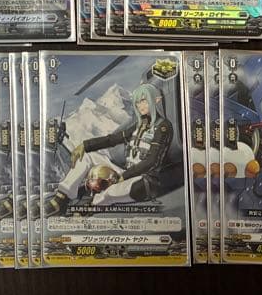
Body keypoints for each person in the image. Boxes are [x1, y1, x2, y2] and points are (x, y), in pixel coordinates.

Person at [44, 83, 173, 216]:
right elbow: (112, 139)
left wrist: (123, 177)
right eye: (138, 102)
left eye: (144, 101)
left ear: (156, 100)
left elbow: (151, 161)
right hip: (127, 173)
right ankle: (62, 198)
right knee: (87, 156)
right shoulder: (139, 126)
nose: (141, 106)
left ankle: (91, 206)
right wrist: (85, 145)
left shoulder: (163, 127)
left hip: (144, 181)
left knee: (111, 192)